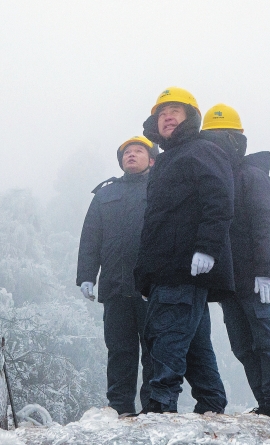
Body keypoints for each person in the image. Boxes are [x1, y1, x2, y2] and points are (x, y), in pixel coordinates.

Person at [134, 87, 235, 414]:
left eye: (175, 111)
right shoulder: (165, 160)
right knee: (193, 344)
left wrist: (207, 248)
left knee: (165, 339)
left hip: (183, 267)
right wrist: (146, 277)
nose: (167, 117)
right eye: (162, 113)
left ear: (190, 117)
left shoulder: (201, 150)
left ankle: (159, 410)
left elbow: (218, 201)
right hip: (166, 269)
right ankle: (212, 407)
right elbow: (157, 222)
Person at [200, 103, 270, 420]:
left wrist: (267, 273)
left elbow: (267, 225)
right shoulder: (213, 181)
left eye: (222, 137)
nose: (216, 144)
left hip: (257, 280)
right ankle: (266, 404)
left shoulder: (252, 177)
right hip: (229, 283)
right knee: (243, 346)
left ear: (236, 141)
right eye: (209, 138)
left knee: (266, 341)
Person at [76, 135, 158, 416]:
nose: (131, 155)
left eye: (138, 151)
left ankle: (154, 408)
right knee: (119, 351)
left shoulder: (162, 188)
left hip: (152, 287)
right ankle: (120, 408)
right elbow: (90, 238)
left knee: (154, 349)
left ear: (152, 159)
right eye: (126, 153)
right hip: (114, 287)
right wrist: (87, 276)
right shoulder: (105, 194)